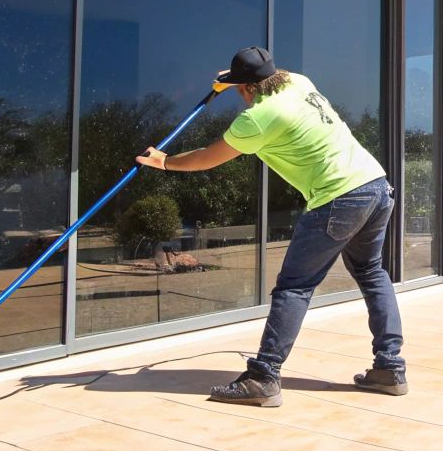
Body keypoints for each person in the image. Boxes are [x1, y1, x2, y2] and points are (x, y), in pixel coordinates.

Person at [137, 47, 405, 407]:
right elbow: (265, 76)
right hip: (376, 185)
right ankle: (390, 368)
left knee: (294, 288)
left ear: (246, 88)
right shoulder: (297, 81)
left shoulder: (259, 118)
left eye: (239, 90)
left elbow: (206, 157)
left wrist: (164, 161)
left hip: (338, 196)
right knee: (372, 273)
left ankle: (263, 376)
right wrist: (233, 80)